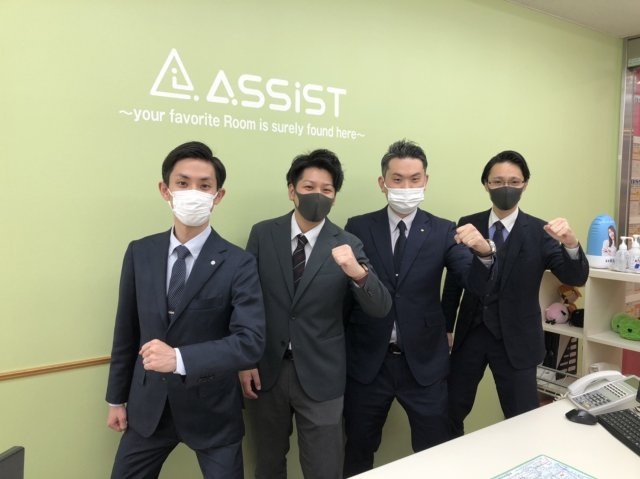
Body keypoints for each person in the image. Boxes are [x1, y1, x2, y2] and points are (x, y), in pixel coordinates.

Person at [105, 141, 265, 478]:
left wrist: (178, 359)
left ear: (218, 196)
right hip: (149, 407)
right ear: (165, 190)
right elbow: (126, 330)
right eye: (182, 183)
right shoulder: (140, 252)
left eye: (204, 186)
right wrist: (116, 399)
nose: (193, 192)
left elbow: (250, 342)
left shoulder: (239, 262)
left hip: (213, 410)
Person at [342, 139, 496, 477]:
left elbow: (472, 281)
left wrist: (484, 254)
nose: (406, 187)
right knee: (357, 451)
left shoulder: (443, 230)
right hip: (369, 363)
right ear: (382, 183)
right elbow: (347, 295)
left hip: (425, 365)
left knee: (435, 453)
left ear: (426, 181)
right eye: (397, 179)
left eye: (414, 179)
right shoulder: (358, 227)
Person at [238, 149, 392, 479]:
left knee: (324, 467)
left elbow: (380, 306)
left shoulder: (348, 243)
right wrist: (245, 360)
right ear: (292, 190)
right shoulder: (263, 234)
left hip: (323, 374)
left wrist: (357, 272)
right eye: (309, 187)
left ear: (334, 197)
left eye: (326, 189)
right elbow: (246, 301)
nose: (317, 195)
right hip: (267, 371)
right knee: (268, 463)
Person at [442, 149, 589, 438]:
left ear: (525, 185)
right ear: (486, 184)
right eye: (497, 181)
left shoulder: (540, 231)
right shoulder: (468, 222)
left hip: (518, 340)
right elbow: (454, 281)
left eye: (513, 181)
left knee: (522, 420)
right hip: (470, 334)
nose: (505, 187)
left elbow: (575, 277)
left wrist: (571, 244)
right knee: (450, 410)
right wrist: (446, 326)